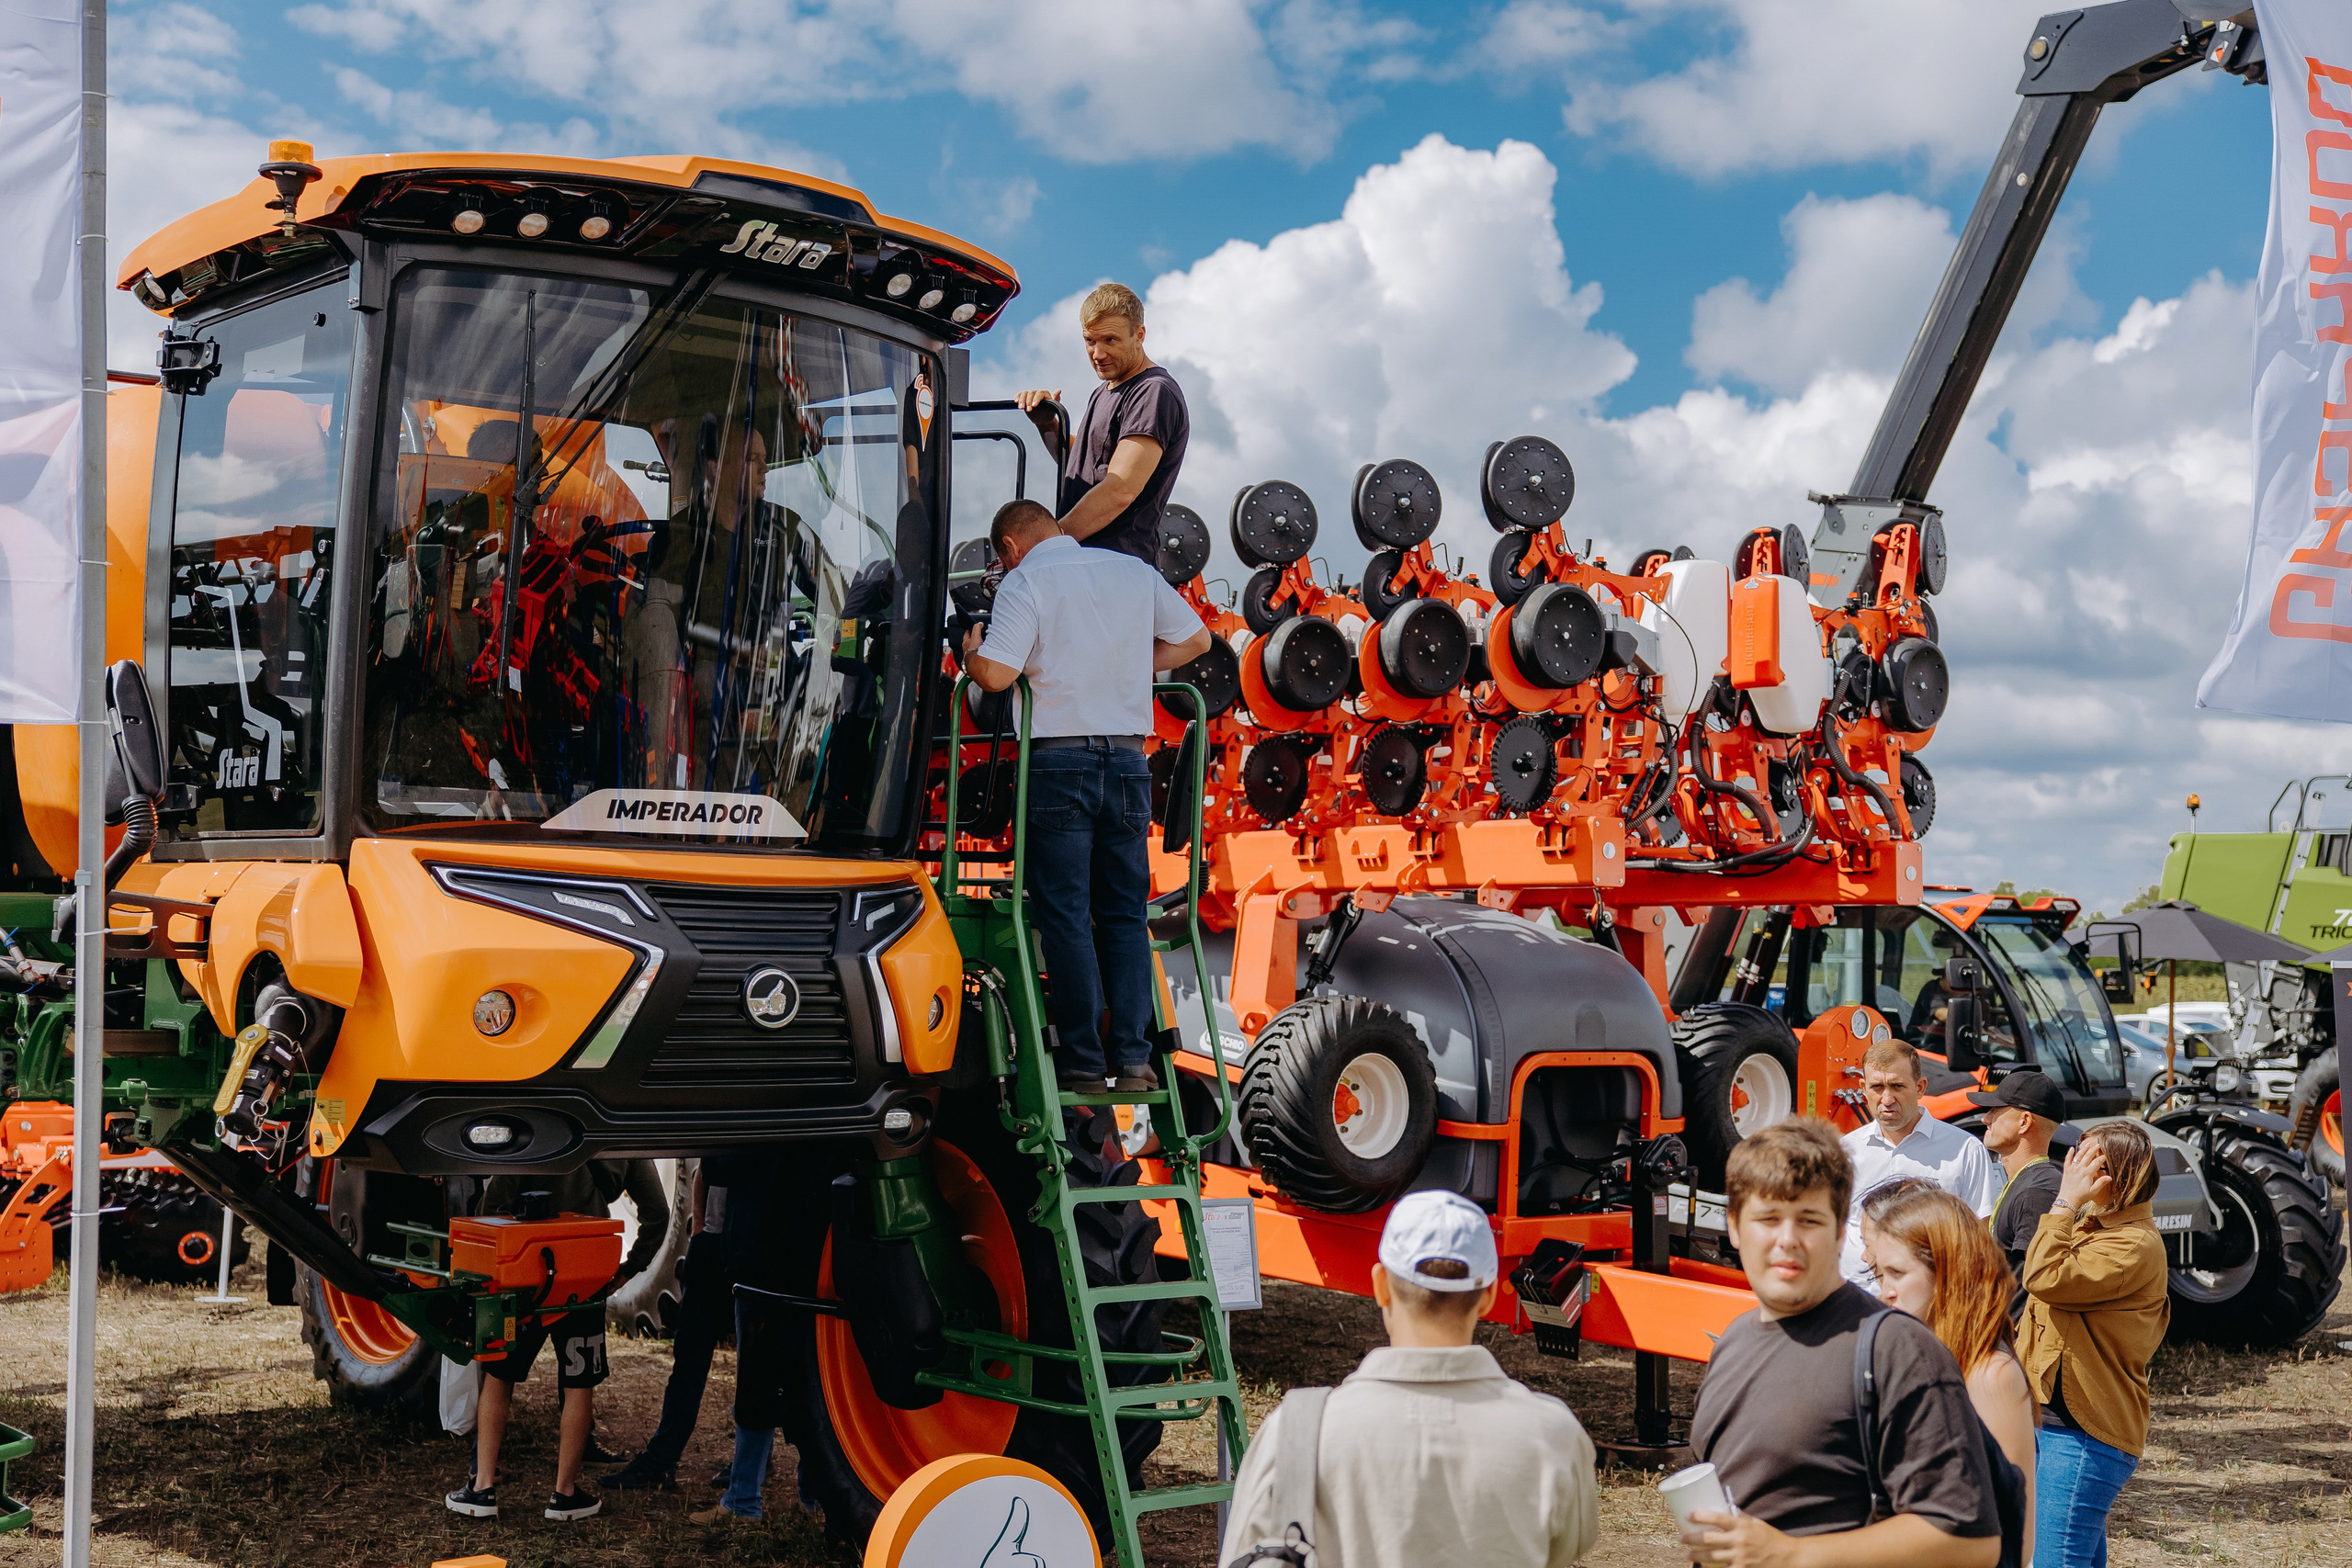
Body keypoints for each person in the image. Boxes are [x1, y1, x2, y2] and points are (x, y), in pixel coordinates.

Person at [965, 499, 1212, 1092]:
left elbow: (996, 676)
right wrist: (1128, 664)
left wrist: (975, 647)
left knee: (1067, 914)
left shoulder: (1028, 580)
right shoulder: (1132, 571)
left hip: (1060, 762)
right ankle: (1132, 1059)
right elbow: (1197, 640)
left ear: (1010, 547)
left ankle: (1080, 1060)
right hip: (1129, 760)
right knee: (1125, 913)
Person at [1219, 1190, 1599, 1568]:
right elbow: (1565, 1548)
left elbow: (1245, 1553)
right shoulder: (1554, 1436)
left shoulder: (1298, 1432)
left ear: (1381, 1285)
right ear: (1485, 1298)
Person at [1684, 1119, 2000, 1568]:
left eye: (1809, 1220)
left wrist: (1790, 1554)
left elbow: (1970, 1541)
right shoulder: (1733, 1340)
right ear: (1734, 1227)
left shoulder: (1897, 1349)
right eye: (1767, 1218)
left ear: (1839, 1232)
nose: (1787, 1240)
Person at [446, 1158, 670, 1522]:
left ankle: (482, 1488)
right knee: (580, 1383)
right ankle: (565, 1495)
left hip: (525, 1279)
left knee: (499, 1376)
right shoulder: (620, 1136)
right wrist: (629, 1269)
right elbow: (658, 1213)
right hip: (586, 1277)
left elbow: (493, 1204)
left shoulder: (535, 1127)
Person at [2019, 1120, 2168, 1568]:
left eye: (2088, 1160)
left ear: (2117, 1175)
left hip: (2085, 1435)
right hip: (2055, 1424)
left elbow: (2044, 1277)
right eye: (2075, 1157)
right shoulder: (2098, 1227)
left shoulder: (2131, 1245)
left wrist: (2065, 1200)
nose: (2074, 1167)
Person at [1861, 1181, 2039, 1551]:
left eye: (1897, 1273)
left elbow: (2015, 1532)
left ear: (1945, 1272)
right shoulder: (1914, 1355)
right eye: (1880, 1276)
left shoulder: (1990, 1374)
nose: (1885, 1291)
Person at [1015, 282, 1190, 564]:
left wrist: (1049, 543)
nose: (1098, 354)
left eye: (1110, 340)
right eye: (1090, 341)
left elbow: (1120, 489)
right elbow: (1085, 465)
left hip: (1117, 568)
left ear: (1139, 335)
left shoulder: (1152, 392)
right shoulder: (1103, 391)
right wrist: (1047, 424)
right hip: (1087, 565)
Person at [604, 1164, 738, 1491]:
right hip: (712, 1245)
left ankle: (751, 1463)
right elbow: (703, 1169)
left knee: (754, 1362)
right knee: (689, 1356)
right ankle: (661, 1458)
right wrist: (700, 1229)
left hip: (749, 1246)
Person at [1839, 1038, 2002, 1283]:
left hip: (1932, 1305)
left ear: (1921, 1087)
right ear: (1863, 1088)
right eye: (1877, 1087)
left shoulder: (1964, 1150)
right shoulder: (1845, 1151)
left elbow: (1979, 1236)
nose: (1887, 1099)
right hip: (1858, 1303)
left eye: (1897, 1086)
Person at [1971, 1068, 2067, 1317]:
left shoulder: (2036, 1192)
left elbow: (2037, 1287)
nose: (1985, 1119)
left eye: (1996, 1111)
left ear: (2024, 1122)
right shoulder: (2026, 1182)